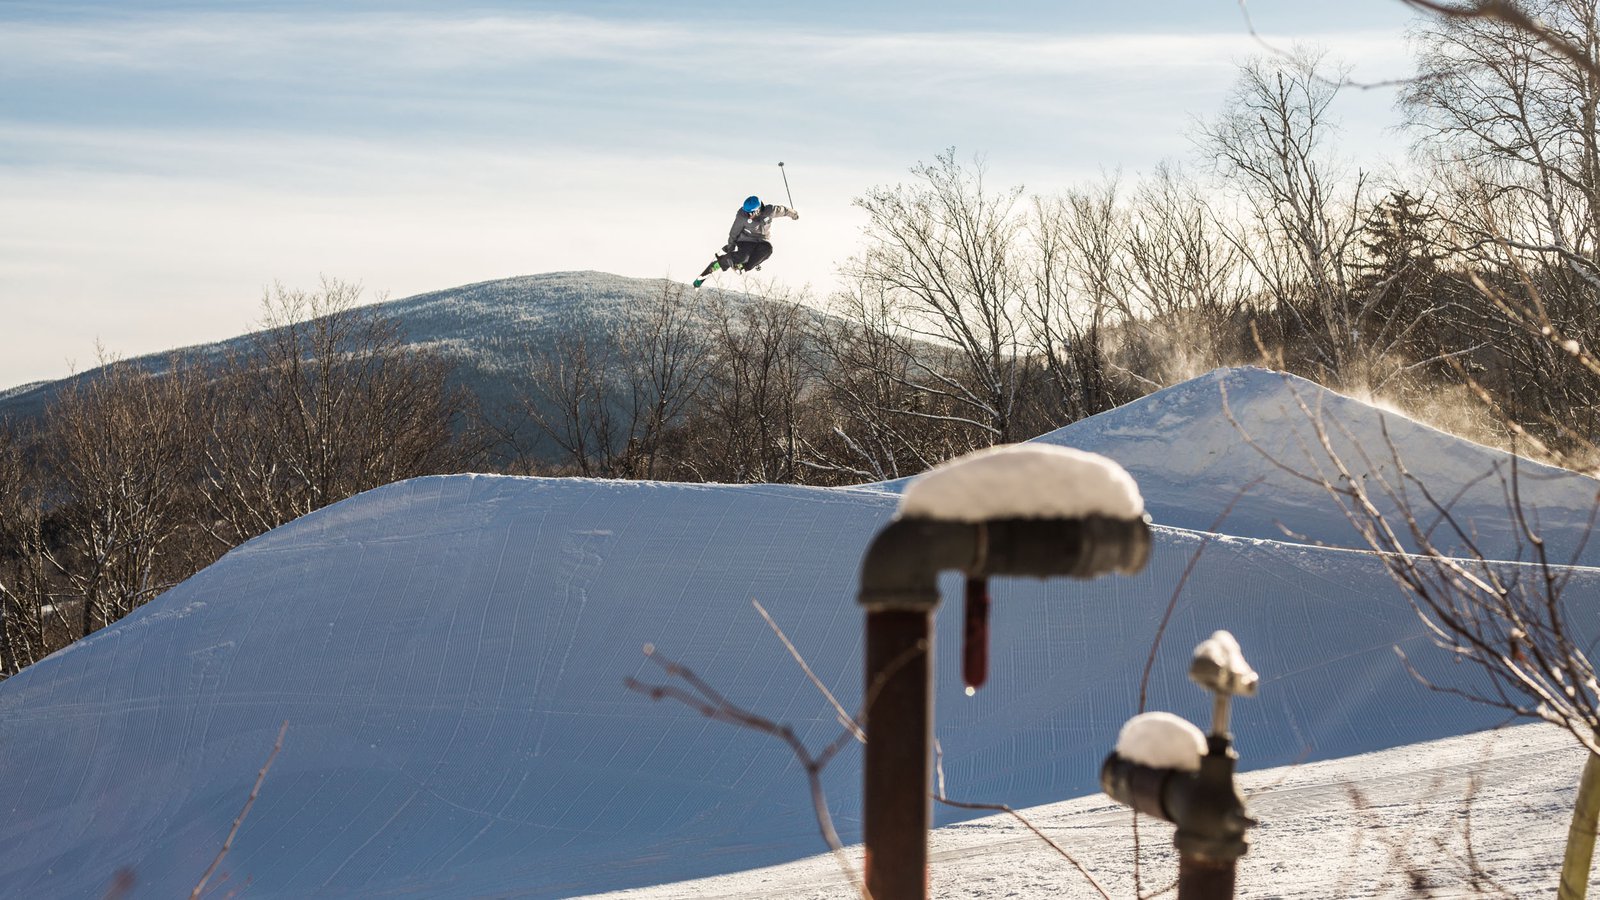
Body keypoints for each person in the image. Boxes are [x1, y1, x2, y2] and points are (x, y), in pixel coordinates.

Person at [693, 195, 799, 288]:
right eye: (746, 212)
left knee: (768, 250)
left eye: (750, 213)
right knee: (743, 257)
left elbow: (784, 210)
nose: (748, 215)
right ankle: (725, 260)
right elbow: (734, 232)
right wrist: (730, 246)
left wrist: (793, 214)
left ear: (757, 210)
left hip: (762, 240)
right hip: (746, 240)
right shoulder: (742, 216)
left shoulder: (769, 211)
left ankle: (743, 268)